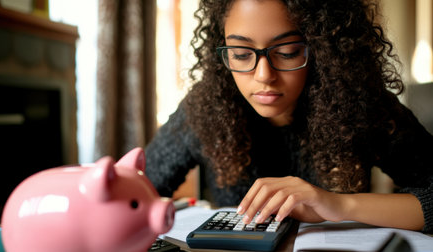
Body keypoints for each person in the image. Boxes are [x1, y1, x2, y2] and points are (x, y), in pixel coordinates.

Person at [145, 0, 433, 233]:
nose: (263, 76)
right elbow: (141, 191)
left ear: (322, 49)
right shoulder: (206, 107)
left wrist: (338, 205)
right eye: (241, 54)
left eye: (288, 52)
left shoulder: (363, 104)